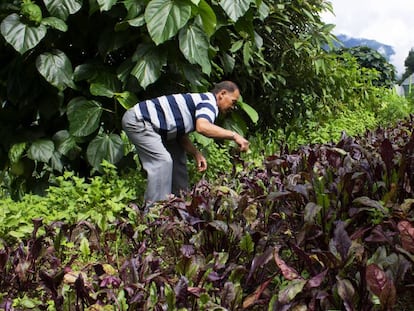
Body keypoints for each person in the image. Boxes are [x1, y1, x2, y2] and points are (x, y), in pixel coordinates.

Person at [121, 81, 250, 206]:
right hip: (139, 121)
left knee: (178, 157)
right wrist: (234, 135)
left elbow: (180, 134)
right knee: (162, 162)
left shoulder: (202, 100)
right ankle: (155, 213)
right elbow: (203, 127)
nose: (232, 107)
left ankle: (180, 205)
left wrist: (196, 153)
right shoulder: (209, 103)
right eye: (233, 102)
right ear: (222, 94)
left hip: (157, 127)